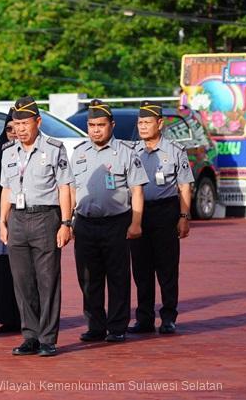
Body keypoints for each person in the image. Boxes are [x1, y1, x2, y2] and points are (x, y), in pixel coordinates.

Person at [0, 96, 73, 357]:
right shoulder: (8, 152)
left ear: (38, 122)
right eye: (16, 124)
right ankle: (29, 335)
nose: (19, 129)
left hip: (45, 218)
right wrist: (2, 221)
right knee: (22, 282)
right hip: (17, 219)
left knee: (47, 281)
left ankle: (48, 338)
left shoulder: (54, 149)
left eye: (25, 123)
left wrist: (66, 222)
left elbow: (65, 187)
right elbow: (6, 189)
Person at [70, 99, 148, 344]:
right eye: (91, 125)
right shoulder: (79, 152)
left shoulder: (125, 152)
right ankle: (95, 325)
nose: (95, 129)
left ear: (111, 125)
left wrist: (136, 223)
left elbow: (137, 191)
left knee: (117, 277)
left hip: (116, 222)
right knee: (88, 278)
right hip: (84, 222)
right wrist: (70, 220)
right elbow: (72, 188)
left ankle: (117, 327)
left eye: (100, 125)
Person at [129, 101, 193, 335]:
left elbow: (185, 186)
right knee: (141, 268)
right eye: (140, 123)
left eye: (147, 122)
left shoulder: (174, 151)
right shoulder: (133, 151)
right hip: (139, 214)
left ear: (160, 123)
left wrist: (184, 216)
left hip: (166, 212)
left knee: (167, 268)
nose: (143, 127)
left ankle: (168, 317)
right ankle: (144, 319)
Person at [0, 109, 21, 334]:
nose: (13, 133)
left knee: (24, 270)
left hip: (28, 217)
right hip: (1, 221)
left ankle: (28, 317)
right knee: (4, 269)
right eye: (8, 129)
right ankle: (8, 318)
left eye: (17, 128)